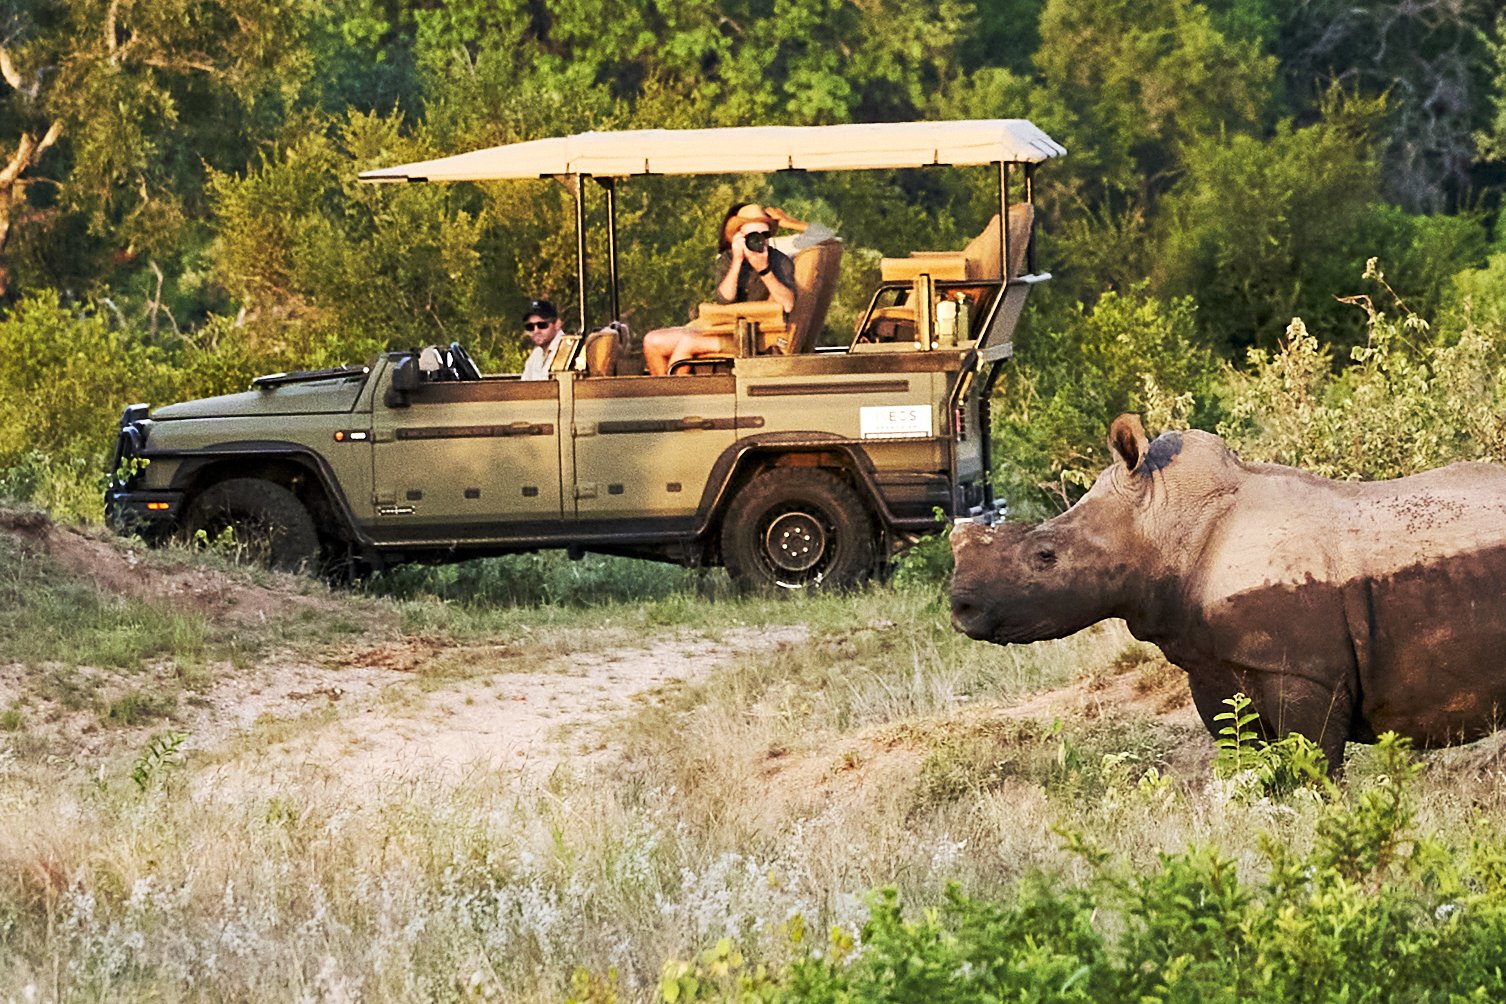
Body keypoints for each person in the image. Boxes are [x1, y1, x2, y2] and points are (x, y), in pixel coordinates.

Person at [643, 203, 797, 376]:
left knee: (687, 341)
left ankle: (678, 397)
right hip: (723, 328)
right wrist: (737, 262)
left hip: (755, 336)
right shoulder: (728, 259)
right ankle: (665, 396)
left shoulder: (779, 261)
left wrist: (764, 270)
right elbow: (724, 299)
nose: (759, 241)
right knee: (652, 341)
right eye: (753, 236)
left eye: (764, 235)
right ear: (740, 237)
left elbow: (788, 304)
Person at [520, 299, 564, 380]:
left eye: (542, 325)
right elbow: (524, 386)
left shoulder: (566, 350)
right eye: (530, 327)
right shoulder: (536, 354)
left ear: (557, 324)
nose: (536, 331)